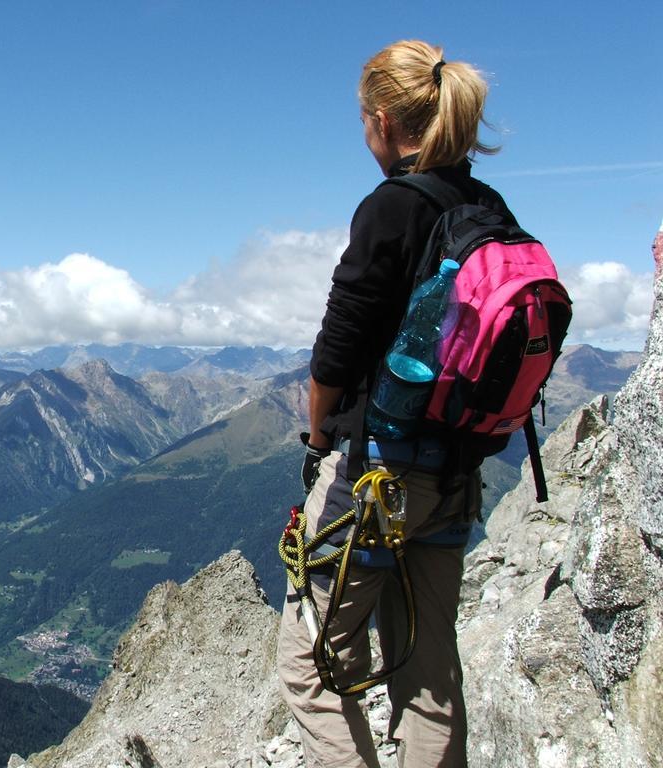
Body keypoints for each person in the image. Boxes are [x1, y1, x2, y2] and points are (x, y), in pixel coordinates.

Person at [278, 40, 513, 767]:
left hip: (375, 479)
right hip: (455, 482)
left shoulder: (391, 207)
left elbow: (337, 352)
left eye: (362, 121)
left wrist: (317, 441)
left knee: (309, 667)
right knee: (430, 674)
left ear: (383, 119)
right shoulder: (489, 207)